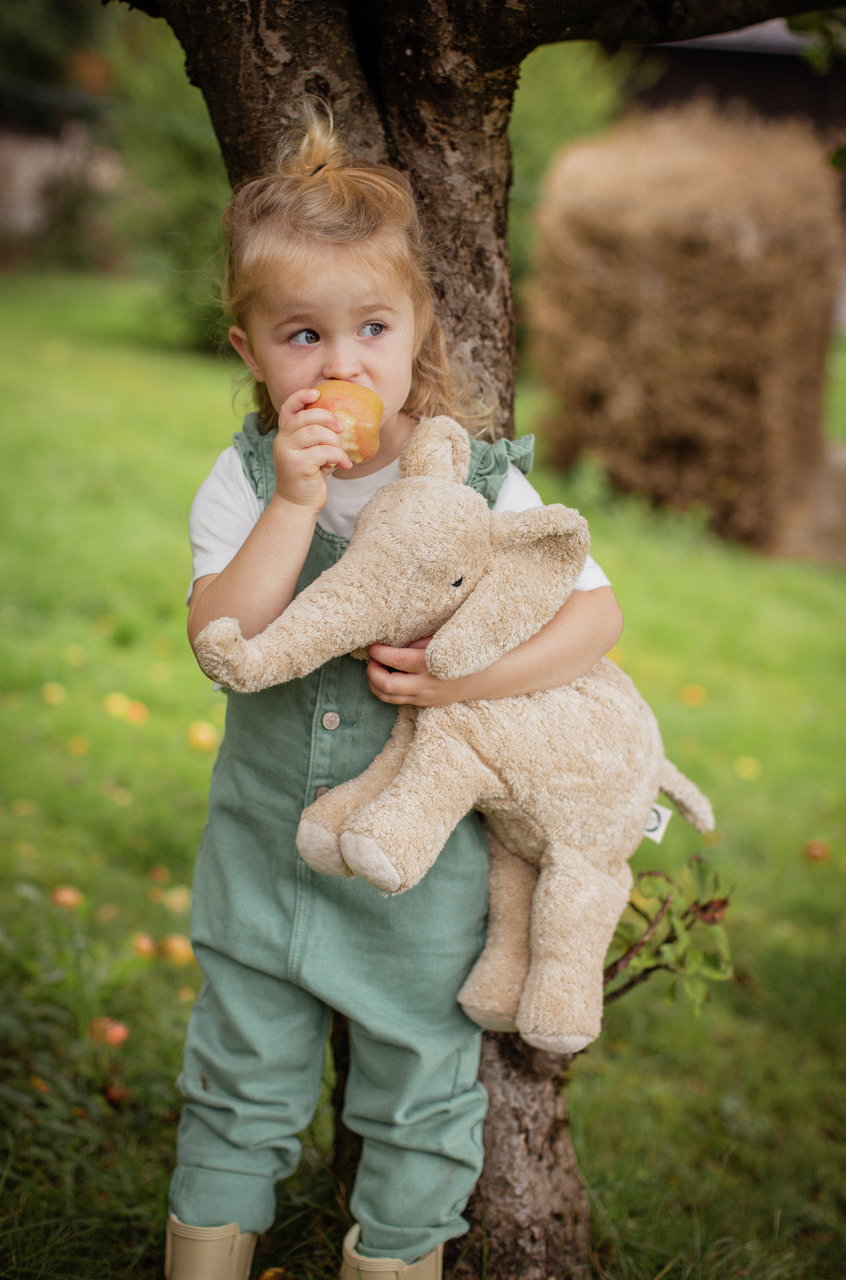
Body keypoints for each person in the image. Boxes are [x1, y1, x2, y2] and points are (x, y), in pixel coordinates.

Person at [167, 102, 623, 1280]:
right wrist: (296, 505)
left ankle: (400, 1253)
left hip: (417, 878)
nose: (339, 363)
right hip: (263, 855)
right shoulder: (248, 477)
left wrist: (468, 670)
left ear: (419, 325)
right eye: (301, 335)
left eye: (370, 326)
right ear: (250, 353)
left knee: (421, 1093)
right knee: (235, 1077)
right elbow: (220, 631)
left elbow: (596, 614)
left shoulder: (478, 482)